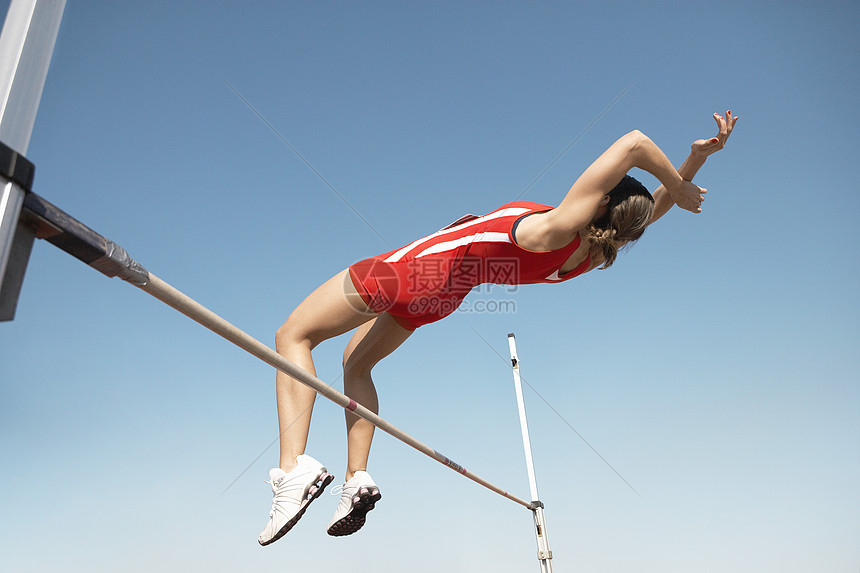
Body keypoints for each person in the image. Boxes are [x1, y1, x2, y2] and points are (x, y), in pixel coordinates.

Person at [258, 111, 739, 545]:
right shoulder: (586, 258)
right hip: (442, 298)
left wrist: (676, 184)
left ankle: (291, 471)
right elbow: (648, 212)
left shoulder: (556, 227)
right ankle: (356, 477)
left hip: (413, 272)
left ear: (599, 203)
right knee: (356, 362)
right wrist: (693, 163)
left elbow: (634, 143)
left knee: (293, 336)